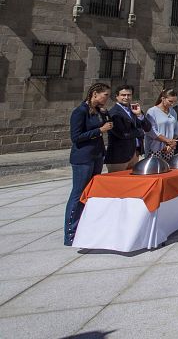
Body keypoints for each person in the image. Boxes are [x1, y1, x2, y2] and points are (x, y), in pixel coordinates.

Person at [65, 82, 113, 246]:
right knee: (78, 193)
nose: (107, 98)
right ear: (95, 94)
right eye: (105, 95)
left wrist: (105, 118)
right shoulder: (80, 112)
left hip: (97, 155)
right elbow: (76, 137)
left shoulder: (99, 112)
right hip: (83, 158)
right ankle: (71, 232)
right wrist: (99, 131)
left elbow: (107, 126)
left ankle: (87, 227)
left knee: (92, 192)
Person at [105, 84, 151, 172]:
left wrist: (139, 115)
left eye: (129, 95)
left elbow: (148, 128)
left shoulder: (135, 109)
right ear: (117, 97)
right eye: (123, 95)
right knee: (117, 184)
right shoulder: (113, 113)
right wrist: (140, 132)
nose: (126, 97)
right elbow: (122, 134)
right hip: (119, 156)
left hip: (134, 154)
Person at [145, 89, 178, 158]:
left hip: (169, 149)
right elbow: (151, 131)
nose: (172, 104)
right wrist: (168, 141)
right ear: (163, 98)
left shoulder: (173, 112)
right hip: (154, 148)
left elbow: (176, 129)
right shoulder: (152, 111)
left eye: (174, 102)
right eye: (170, 101)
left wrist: (170, 145)